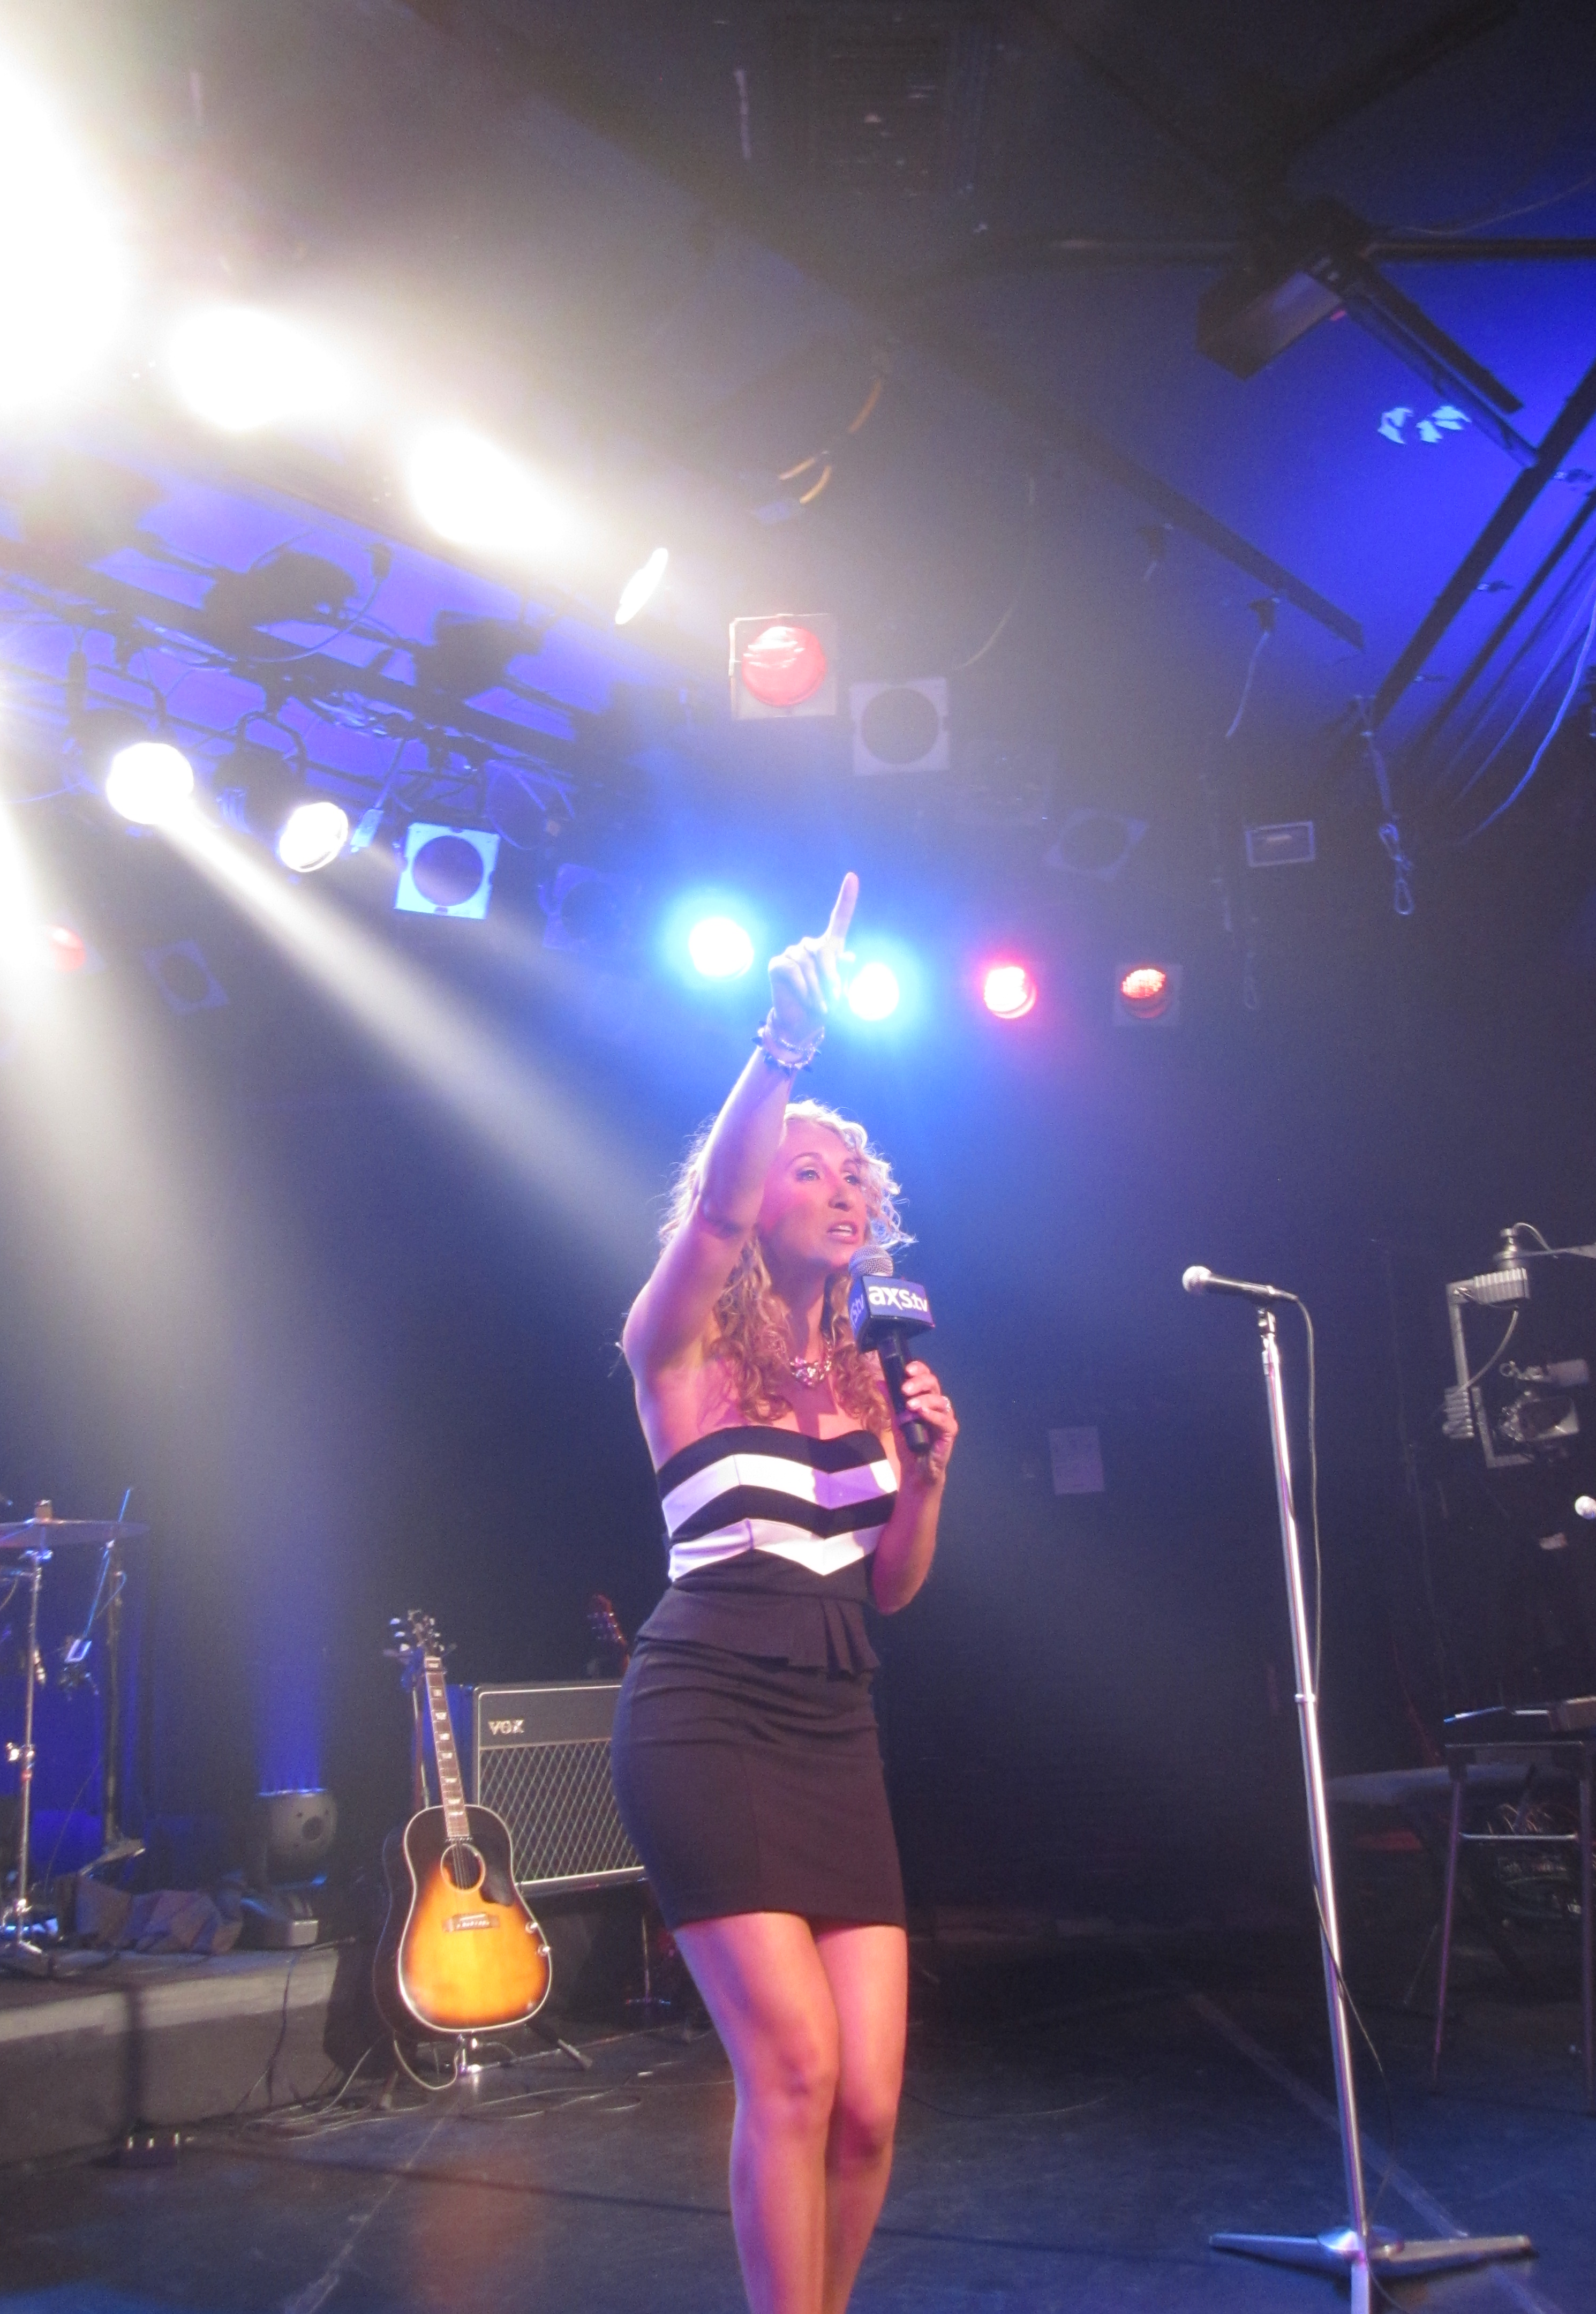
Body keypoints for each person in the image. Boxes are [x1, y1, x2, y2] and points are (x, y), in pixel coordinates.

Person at [611, 871, 958, 2314]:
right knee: (796, 2068)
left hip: (834, 1719)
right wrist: (786, 1052)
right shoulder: (683, 1347)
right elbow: (711, 1212)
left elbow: (893, 1590)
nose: (842, 1190)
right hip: (707, 1706)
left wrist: (928, 1479)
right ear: (761, 1195)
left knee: (869, 2102)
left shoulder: (879, 1381)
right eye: (810, 1170)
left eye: (856, 1178)